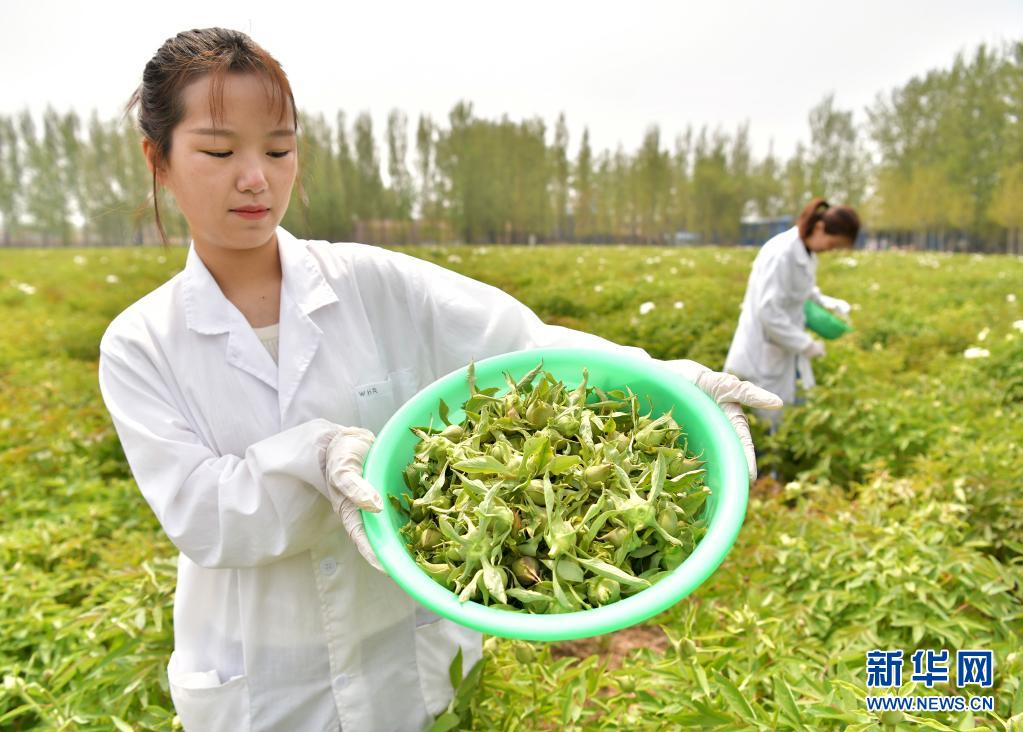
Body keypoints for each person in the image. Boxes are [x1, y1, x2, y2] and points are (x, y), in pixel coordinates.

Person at [98, 28, 782, 732]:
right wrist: (314, 459)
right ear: (159, 158)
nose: (256, 178)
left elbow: (526, 348)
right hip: (266, 681)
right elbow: (202, 514)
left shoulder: (372, 281)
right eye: (219, 152)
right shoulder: (141, 344)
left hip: (408, 661)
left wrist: (668, 383)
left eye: (278, 149)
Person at [724, 197, 860, 431]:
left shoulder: (806, 252)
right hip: (762, 351)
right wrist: (806, 344)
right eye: (832, 243)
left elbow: (801, 289)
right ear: (820, 227)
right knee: (758, 422)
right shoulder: (781, 253)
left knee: (776, 416)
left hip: (780, 348)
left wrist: (827, 302)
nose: (830, 250)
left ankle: (771, 451)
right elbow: (769, 313)